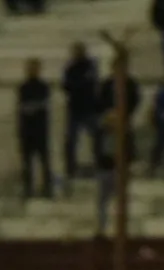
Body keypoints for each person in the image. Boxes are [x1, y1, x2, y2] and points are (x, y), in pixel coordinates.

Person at [62, 44, 102, 180]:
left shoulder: (90, 66)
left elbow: (92, 84)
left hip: (89, 108)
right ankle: (70, 168)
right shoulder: (71, 68)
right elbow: (67, 86)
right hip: (75, 109)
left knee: (97, 137)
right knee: (71, 140)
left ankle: (99, 164)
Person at [17, 59, 54, 199]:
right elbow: (23, 108)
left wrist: (32, 107)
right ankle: (28, 190)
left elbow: (43, 104)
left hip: (41, 130)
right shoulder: (23, 87)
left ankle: (47, 189)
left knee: (45, 161)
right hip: (27, 131)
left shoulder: (43, 87)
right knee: (27, 163)